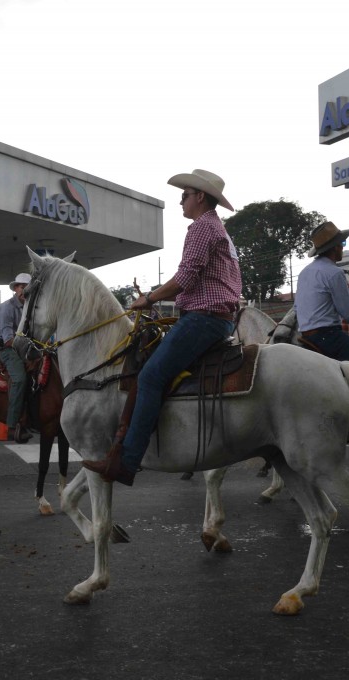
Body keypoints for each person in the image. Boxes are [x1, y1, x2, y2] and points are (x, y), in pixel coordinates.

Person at [83, 169, 242, 486]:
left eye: (184, 195)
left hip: (203, 319)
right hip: (218, 318)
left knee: (150, 376)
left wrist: (149, 298)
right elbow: (194, 282)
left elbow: (185, 278)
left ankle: (127, 461)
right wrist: (159, 297)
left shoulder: (202, 228)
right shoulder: (219, 230)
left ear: (200, 197)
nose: (180, 200)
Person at [292, 221, 349, 372]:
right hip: (329, 337)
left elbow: (296, 307)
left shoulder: (304, 273)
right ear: (335, 247)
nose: (343, 247)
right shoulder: (334, 273)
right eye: (342, 243)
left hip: (306, 336)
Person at [0, 273, 33, 444]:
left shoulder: (30, 308)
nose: (25, 290)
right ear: (16, 288)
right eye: (22, 287)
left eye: (28, 288)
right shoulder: (6, 308)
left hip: (25, 347)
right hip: (7, 348)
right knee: (20, 379)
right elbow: (8, 338)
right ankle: (12, 425)